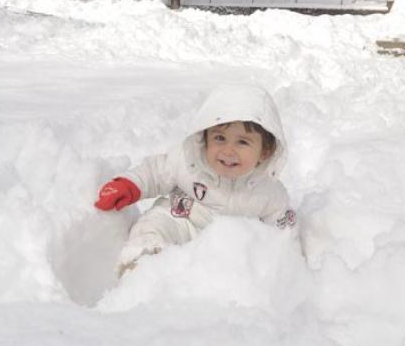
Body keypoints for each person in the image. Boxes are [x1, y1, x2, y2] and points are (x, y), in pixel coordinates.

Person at [95, 83, 297, 276]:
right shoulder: (189, 162)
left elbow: (283, 232)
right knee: (154, 223)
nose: (228, 150)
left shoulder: (270, 192)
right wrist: (130, 184)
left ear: (265, 151)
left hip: (227, 248)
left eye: (242, 142)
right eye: (219, 138)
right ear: (204, 138)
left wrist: (284, 260)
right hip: (182, 220)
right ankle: (143, 262)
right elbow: (155, 172)